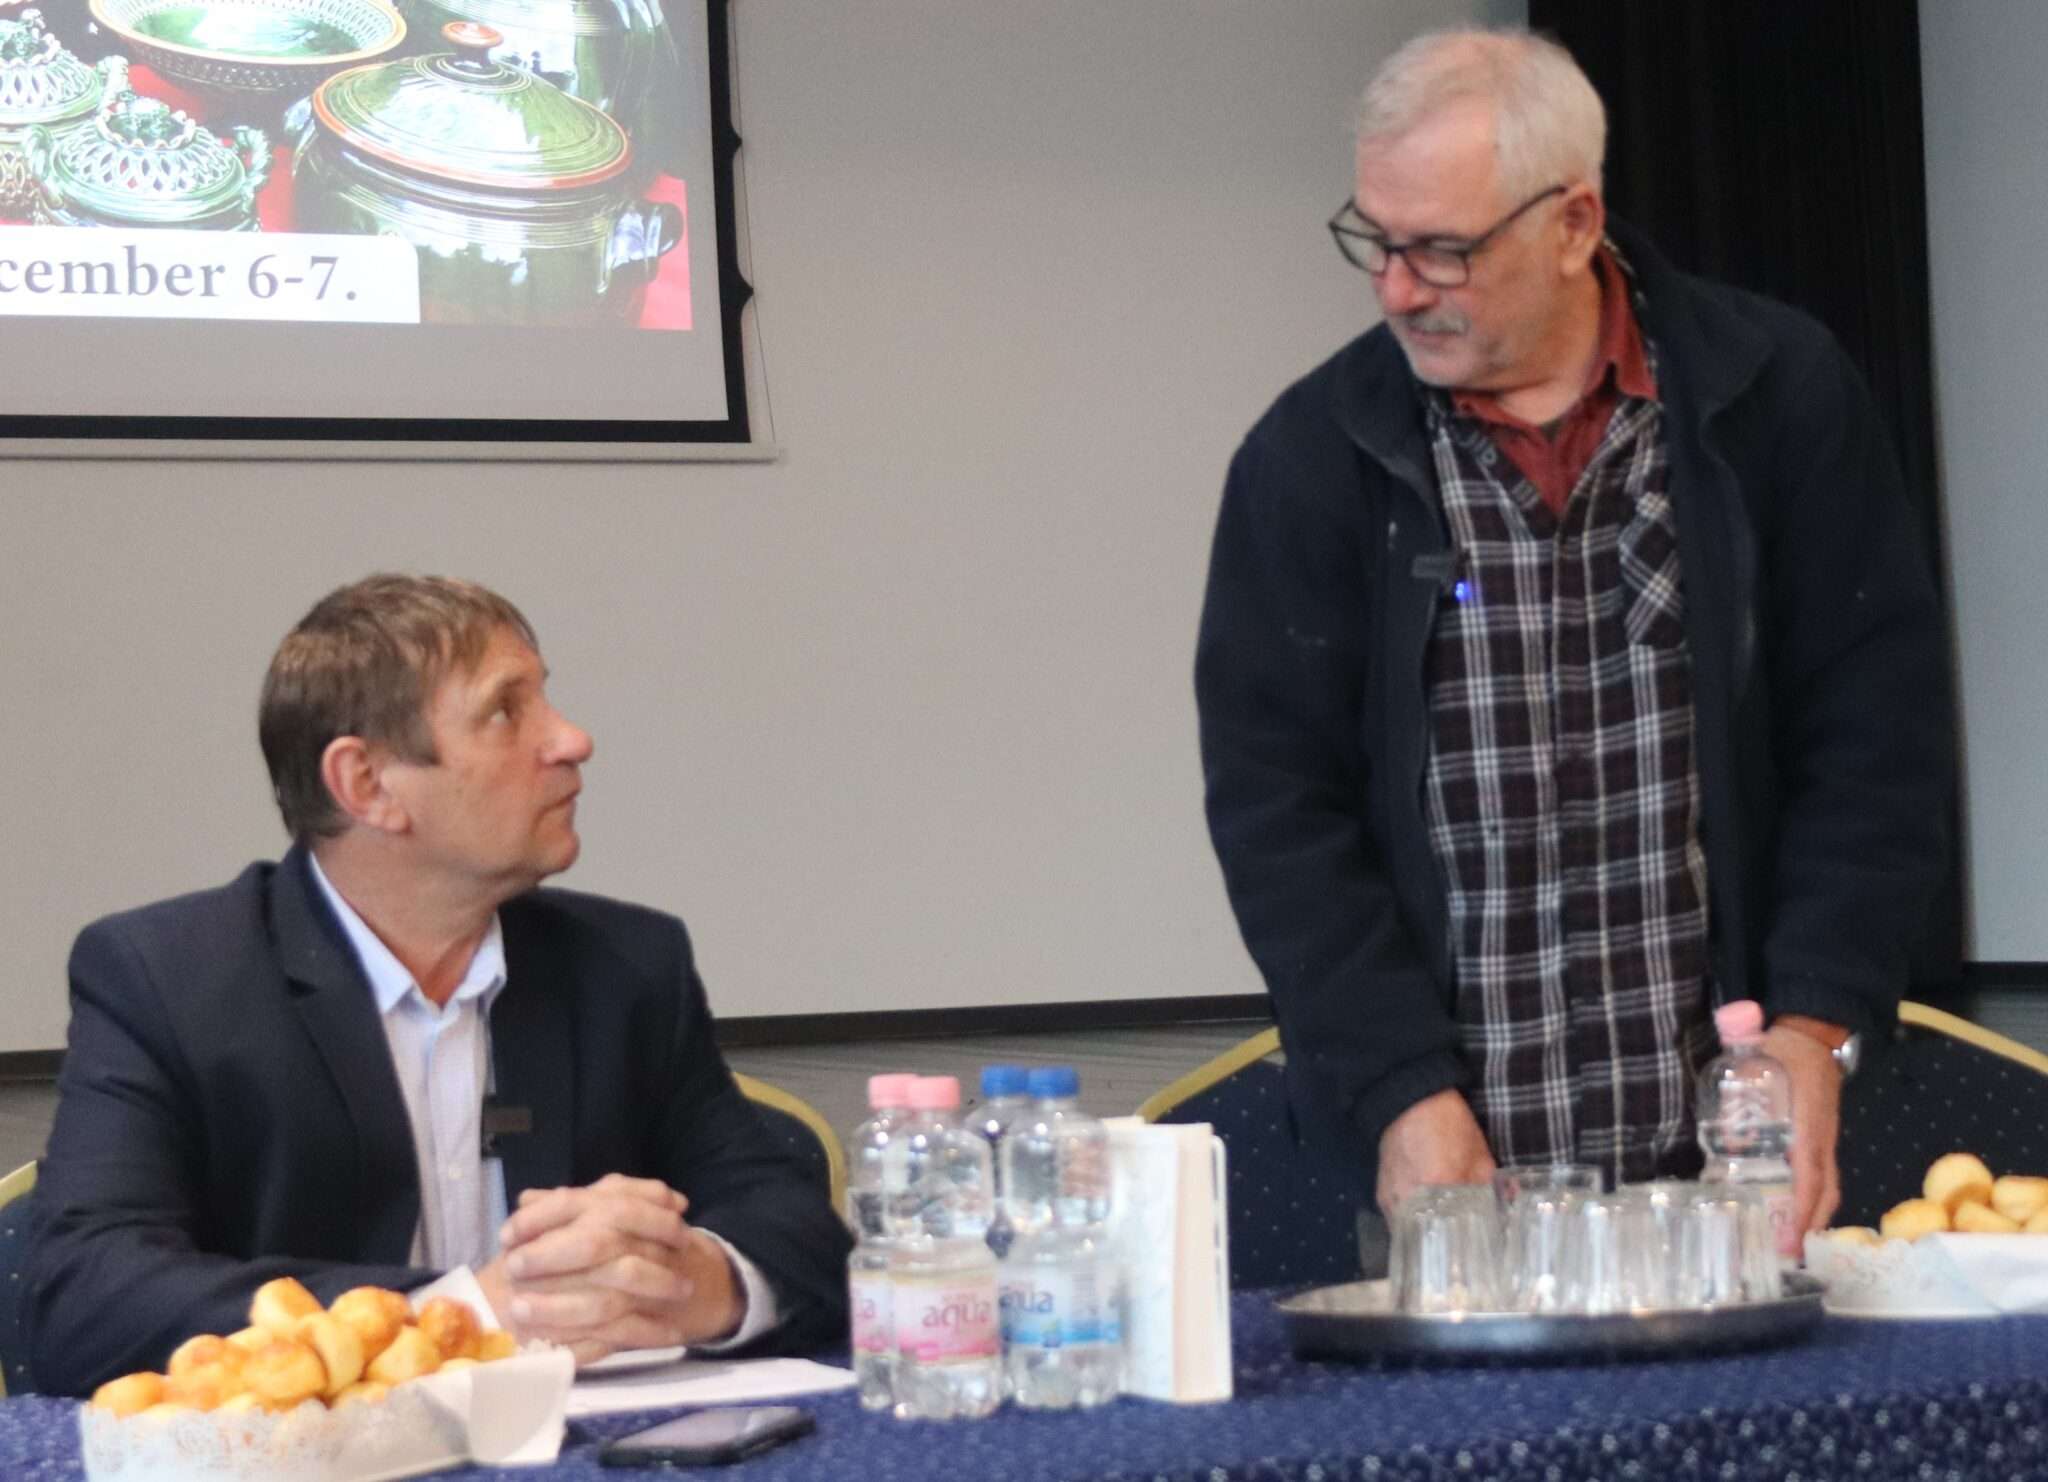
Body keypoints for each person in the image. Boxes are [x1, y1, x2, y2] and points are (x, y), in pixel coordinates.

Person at [1195, 28, 1952, 1236]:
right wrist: (1397, 1091)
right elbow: (1278, 816)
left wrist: (1812, 1031)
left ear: (1571, 223)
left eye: (1440, 251)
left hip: (1736, 1168)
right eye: (1375, 241)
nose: (1395, 288)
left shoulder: (1775, 398)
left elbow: (1874, 744)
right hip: (1450, 1173)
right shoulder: (1310, 458)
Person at [28, 574, 851, 1396]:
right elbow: (84, 1297)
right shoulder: (168, 979)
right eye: (505, 711)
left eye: (546, 699)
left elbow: (798, 1229)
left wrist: (694, 1283)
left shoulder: (626, 966)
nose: (573, 740)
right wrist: (465, 1314)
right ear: (368, 785)